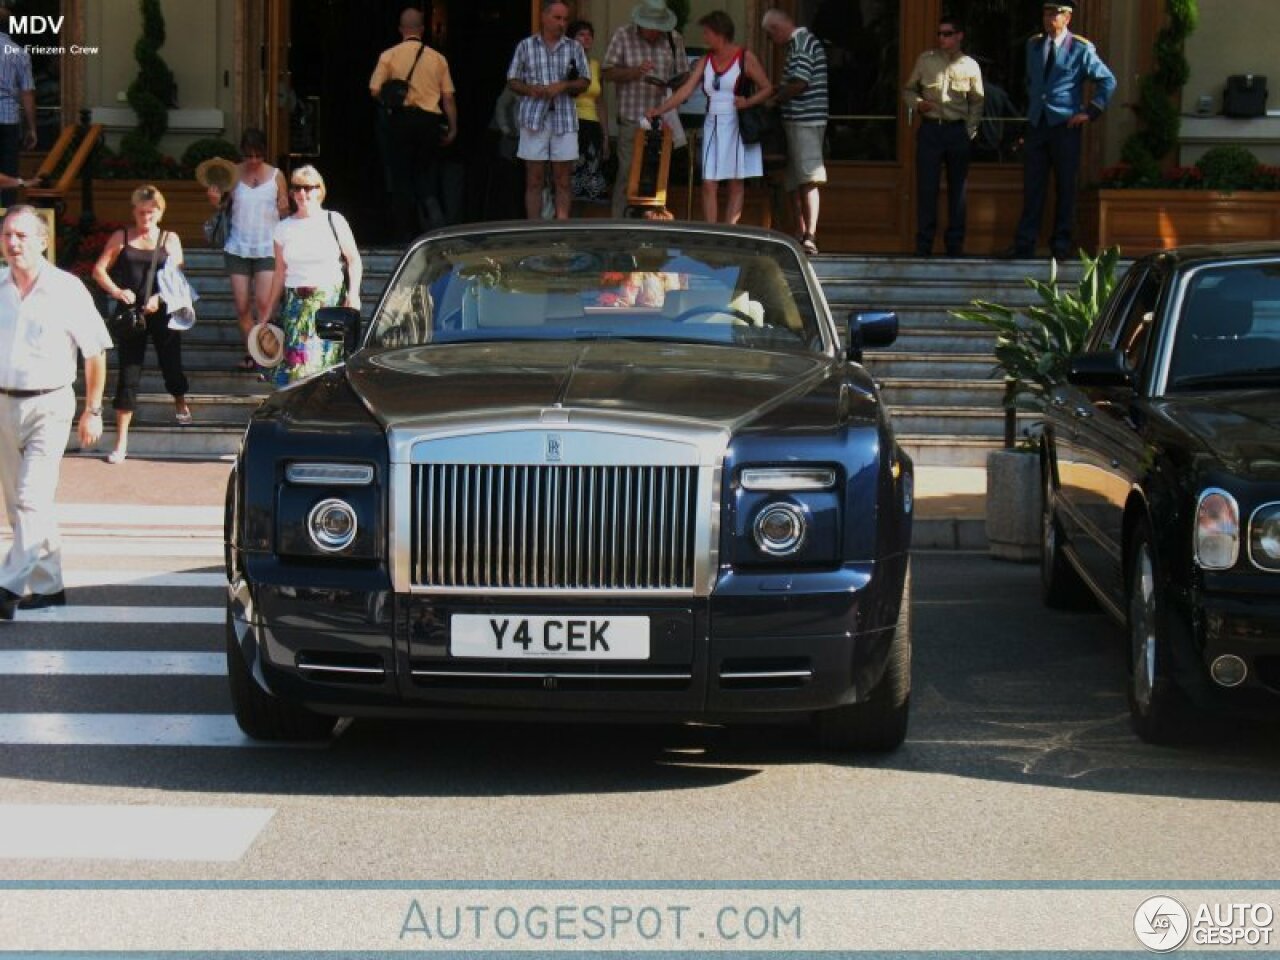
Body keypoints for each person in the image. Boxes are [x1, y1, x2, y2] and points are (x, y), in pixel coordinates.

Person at [0, 206, 111, 617]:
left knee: (30, 498)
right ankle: (49, 586)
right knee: (22, 505)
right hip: (3, 403)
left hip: (50, 403)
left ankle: (6, 585)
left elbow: (95, 353)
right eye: (7, 235)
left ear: (43, 241)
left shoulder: (66, 289)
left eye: (22, 236)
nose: (13, 243)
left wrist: (93, 409)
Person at [91, 185, 191, 465]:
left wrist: (160, 297)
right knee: (128, 372)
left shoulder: (170, 238)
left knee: (171, 363)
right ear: (134, 212)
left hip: (162, 310)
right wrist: (117, 291)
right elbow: (99, 270)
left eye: (151, 211)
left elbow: (178, 276)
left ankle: (180, 398)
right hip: (131, 313)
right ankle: (121, 440)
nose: (146, 217)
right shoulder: (121, 237)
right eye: (141, 212)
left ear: (160, 212)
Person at [1008, 0, 1115, 259]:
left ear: (1067, 17)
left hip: (1064, 126)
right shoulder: (1034, 45)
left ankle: (1061, 245)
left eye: (1055, 14)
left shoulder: (1080, 48)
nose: (1049, 18)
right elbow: (1030, 84)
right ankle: (1025, 244)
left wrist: (1089, 113)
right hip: (1037, 125)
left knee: (1065, 187)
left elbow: (1108, 81)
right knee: (1033, 186)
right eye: (1046, 13)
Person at [647, 11, 772, 225]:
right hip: (713, 121)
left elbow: (767, 88)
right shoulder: (706, 60)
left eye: (707, 33)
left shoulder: (744, 57)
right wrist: (660, 109)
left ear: (719, 33)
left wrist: (748, 102)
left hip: (736, 122)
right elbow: (685, 90)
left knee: (735, 181)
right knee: (708, 181)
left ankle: (729, 229)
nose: (704, 37)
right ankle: (711, 228)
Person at [263, 165, 363, 387]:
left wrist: (354, 294)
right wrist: (268, 310)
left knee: (326, 364)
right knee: (297, 367)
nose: (302, 194)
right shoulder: (283, 228)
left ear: (320, 190)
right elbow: (280, 271)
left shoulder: (334, 220)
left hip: (328, 303)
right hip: (295, 306)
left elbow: (353, 259)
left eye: (308, 188)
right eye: (297, 188)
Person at [370, 7, 458, 241]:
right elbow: (448, 97)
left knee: (401, 178)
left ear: (401, 30)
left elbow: (374, 89)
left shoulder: (389, 56)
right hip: (429, 123)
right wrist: (452, 127)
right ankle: (435, 228)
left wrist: (390, 101)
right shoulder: (438, 59)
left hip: (400, 120)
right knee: (426, 177)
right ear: (422, 29)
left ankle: (403, 236)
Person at [204, 129, 289, 371]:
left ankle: (266, 353)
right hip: (237, 246)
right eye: (249, 155)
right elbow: (222, 205)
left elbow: (284, 213)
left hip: (267, 247)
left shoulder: (276, 175)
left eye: (258, 156)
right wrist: (214, 200)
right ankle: (253, 352)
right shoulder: (233, 173)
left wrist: (284, 207)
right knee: (242, 306)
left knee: (264, 305)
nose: (253, 161)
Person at [902, 16, 984, 257]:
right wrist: (918, 103)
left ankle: (955, 245)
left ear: (959, 36)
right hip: (930, 130)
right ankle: (924, 244)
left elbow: (977, 102)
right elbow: (908, 89)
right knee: (927, 188)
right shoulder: (926, 60)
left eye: (947, 34)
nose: (942, 38)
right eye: (939, 34)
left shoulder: (970, 65)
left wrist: (969, 130)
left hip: (957, 131)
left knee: (958, 190)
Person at [601, 0, 687, 218]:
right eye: (652, 27)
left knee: (659, 176)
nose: (656, 32)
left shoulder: (673, 38)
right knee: (628, 172)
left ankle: (652, 227)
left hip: (663, 117)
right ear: (640, 23)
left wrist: (672, 82)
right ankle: (619, 225)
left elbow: (684, 76)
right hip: (632, 116)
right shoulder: (623, 35)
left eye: (659, 27)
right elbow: (608, 73)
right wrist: (635, 72)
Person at [506, 0, 591, 221]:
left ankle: (561, 230)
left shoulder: (574, 47)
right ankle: (534, 230)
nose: (562, 23)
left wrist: (563, 85)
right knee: (534, 179)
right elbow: (512, 80)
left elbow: (585, 82)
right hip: (534, 117)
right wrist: (529, 89)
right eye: (557, 18)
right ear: (544, 17)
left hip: (564, 118)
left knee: (562, 180)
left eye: (565, 19)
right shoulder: (526, 46)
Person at [763, 9, 828, 255]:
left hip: (805, 121)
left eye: (770, 37)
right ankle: (800, 234)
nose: (772, 43)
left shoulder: (801, 43)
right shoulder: (800, 44)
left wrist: (775, 99)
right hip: (798, 120)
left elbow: (800, 82)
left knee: (808, 178)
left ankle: (809, 235)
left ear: (776, 30)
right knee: (796, 179)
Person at [568, 20, 611, 206]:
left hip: (593, 125)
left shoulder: (595, 65)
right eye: (581, 34)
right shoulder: (566, 63)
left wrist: (606, 136)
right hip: (571, 123)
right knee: (569, 177)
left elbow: (600, 102)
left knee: (591, 178)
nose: (586, 38)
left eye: (589, 35)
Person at [0, 6, 35, 209]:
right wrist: (32, 128)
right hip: (8, 119)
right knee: (9, 171)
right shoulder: (19, 53)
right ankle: (6, 219)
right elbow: (27, 93)